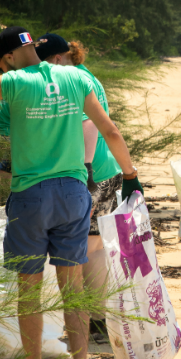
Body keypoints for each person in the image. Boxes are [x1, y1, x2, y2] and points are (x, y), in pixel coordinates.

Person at [0, 26, 143, 359]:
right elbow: (109, 130)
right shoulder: (75, 76)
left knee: (29, 292)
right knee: (72, 287)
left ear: (6, 58)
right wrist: (131, 176)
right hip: (74, 193)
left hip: (30, 195)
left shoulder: (10, 82)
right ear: (31, 47)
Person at [34, 33, 120, 343]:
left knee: (79, 249)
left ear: (57, 59)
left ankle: (80, 322)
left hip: (87, 172)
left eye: (43, 62)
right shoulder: (87, 76)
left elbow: (88, 126)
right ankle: (95, 320)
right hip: (105, 168)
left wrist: (83, 179)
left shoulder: (72, 79)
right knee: (93, 247)